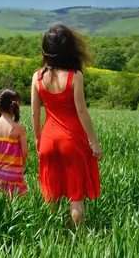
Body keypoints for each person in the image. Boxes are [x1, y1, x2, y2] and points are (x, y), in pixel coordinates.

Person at [31, 24, 102, 226]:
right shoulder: (75, 76)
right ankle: (78, 238)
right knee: (75, 195)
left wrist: (37, 138)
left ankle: (50, 234)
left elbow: (35, 111)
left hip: (48, 140)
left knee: (50, 195)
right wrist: (94, 142)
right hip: (72, 140)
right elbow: (81, 111)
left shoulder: (37, 76)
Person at [0, 89, 28, 197]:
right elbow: (25, 152)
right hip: (12, 172)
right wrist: (20, 166)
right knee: (13, 201)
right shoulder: (18, 128)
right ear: (15, 105)